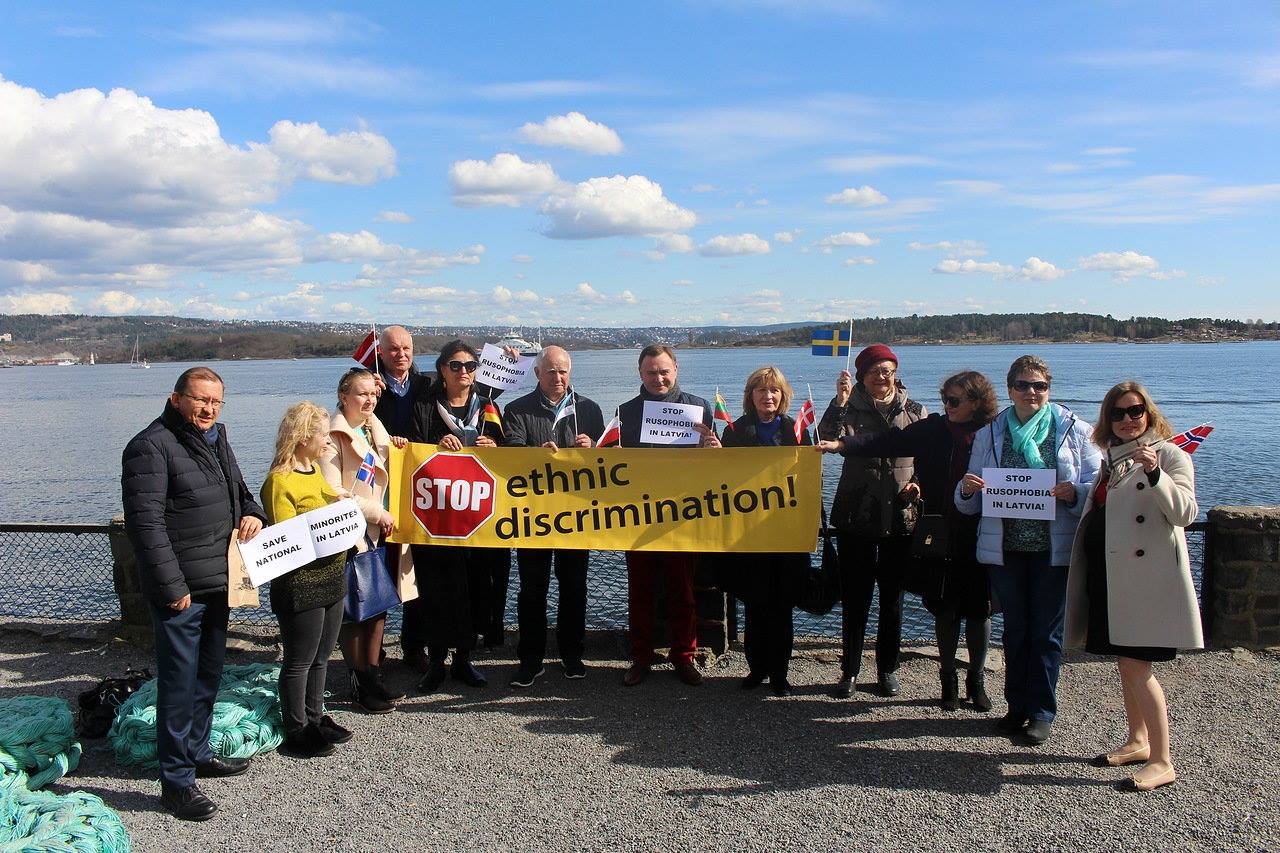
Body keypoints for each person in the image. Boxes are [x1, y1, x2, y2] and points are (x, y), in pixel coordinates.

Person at [121, 366, 265, 821]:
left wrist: (254, 513)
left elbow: (241, 493)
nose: (209, 409)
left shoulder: (217, 438)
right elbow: (145, 526)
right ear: (176, 398)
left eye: (216, 401)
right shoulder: (149, 446)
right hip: (181, 589)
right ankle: (177, 782)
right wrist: (170, 586)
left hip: (219, 581)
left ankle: (198, 752)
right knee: (178, 685)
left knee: (208, 675)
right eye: (201, 400)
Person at [819, 370, 999, 711]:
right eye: (945, 398)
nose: (947, 405)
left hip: (980, 529)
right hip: (938, 527)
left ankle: (975, 681)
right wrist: (842, 445)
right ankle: (947, 681)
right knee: (944, 605)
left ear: (976, 402)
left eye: (955, 400)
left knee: (980, 609)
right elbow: (887, 442)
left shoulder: (994, 431)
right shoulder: (933, 428)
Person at [955, 354, 1101, 745]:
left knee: (1046, 634)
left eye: (1039, 386)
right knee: (1015, 631)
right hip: (1006, 551)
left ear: (1049, 389)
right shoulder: (990, 434)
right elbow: (969, 499)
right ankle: (1016, 706)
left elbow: (1097, 485)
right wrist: (966, 489)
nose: (1031, 392)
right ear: (1010, 389)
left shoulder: (1075, 430)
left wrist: (1075, 492)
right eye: (1023, 385)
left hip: (1053, 551)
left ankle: (1041, 712)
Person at [1065, 382, 1201, 791]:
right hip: (1111, 574)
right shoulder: (1112, 459)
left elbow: (1186, 513)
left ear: (1148, 413)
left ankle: (1162, 760)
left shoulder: (1170, 455)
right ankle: (1138, 740)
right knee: (1126, 664)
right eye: (1118, 413)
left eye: (1135, 411)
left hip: (1145, 580)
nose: (1127, 420)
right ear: (1107, 419)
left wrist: (1155, 474)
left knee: (1139, 667)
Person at [818, 344, 924, 699]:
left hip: (900, 518)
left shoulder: (915, 411)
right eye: (875, 371)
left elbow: (928, 458)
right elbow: (825, 437)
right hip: (856, 516)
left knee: (892, 599)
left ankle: (887, 668)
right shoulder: (849, 409)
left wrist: (917, 484)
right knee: (855, 598)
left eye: (887, 370)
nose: (882, 376)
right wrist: (839, 400)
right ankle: (849, 670)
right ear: (862, 376)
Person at [501, 345, 605, 688]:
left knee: (574, 587)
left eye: (562, 371)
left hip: (576, 516)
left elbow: (607, 462)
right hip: (533, 516)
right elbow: (510, 452)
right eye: (550, 372)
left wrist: (594, 449)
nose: (558, 378)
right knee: (532, 590)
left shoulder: (589, 409)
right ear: (537, 373)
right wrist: (535, 454)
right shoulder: (516, 409)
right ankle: (530, 659)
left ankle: (572, 653)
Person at [618, 344, 721, 687]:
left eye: (664, 371)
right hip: (638, 515)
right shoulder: (625, 412)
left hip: (682, 514)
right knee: (640, 592)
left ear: (676, 369)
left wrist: (714, 450)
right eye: (651, 372)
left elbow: (716, 465)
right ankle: (641, 656)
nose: (658, 378)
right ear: (640, 373)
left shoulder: (699, 408)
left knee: (682, 591)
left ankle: (684, 657)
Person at [408, 340, 504, 691]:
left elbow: (509, 453)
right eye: (456, 365)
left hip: (477, 517)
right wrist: (437, 445)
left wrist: (496, 447)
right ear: (442, 370)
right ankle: (436, 662)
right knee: (437, 589)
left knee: (476, 588)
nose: (464, 371)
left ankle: (464, 660)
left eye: (470, 366)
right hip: (437, 518)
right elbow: (412, 448)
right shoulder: (425, 407)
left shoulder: (489, 408)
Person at [260, 402, 352, 759]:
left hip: (332, 577)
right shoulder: (279, 481)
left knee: (322, 656)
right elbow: (287, 536)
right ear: (302, 438)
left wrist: (341, 502)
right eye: (323, 435)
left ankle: (315, 716)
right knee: (299, 659)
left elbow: (326, 504)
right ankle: (296, 727)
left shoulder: (313, 471)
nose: (328, 441)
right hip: (301, 583)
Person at [321, 367, 411, 714]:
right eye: (362, 394)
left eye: (373, 394)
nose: (370, 399)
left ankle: (374, 674)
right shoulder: (333, 436)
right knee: (356, 611)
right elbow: (333, 492)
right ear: (343, 397)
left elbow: (388, 462)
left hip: (382, 533)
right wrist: (376, 512)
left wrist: (398, 445)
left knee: (377, 606)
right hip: (353, 534)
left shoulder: (373, 428)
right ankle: (359, 681)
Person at [720, 366, 809, 696]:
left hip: (787, 530)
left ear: (783, 395)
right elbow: (722, 479)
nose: (768, 396)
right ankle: (756, 668)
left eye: (774, 390)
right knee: (755, 604)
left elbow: (808, 478)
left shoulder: (796, 430)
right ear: (751, 395)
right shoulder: (734, 432)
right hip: (749, 531)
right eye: (761, 390)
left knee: (782, 605)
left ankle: (780, 673)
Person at [371, 325, 435, 673]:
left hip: (420, 492)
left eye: (406, 348)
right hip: (380, 492)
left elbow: (469, 392)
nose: (401, 354)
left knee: (417, 575)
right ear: (381, 352)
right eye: (394, 349)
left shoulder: (426, 386)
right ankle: (373, 652)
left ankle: (414, 646)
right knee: (378, 571)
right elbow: (348, 411)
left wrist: (506, 364)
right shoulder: (371, 387)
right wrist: (368, 393)